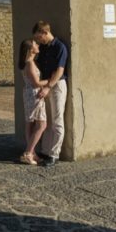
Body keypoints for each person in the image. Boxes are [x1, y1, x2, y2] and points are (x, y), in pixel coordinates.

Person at [33, 21, 68, 167]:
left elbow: (60, 71)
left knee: (57, 119)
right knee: (46, 119)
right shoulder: (44, 48)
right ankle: (45, 151)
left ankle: (54, 154)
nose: (38, 40)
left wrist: (48, 87)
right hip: (46, 85)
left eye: (39, 37)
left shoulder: (60, 47)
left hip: (57, 85)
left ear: (45, 32)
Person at [18, 39, 48, 165]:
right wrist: (49, 81)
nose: (38, 45)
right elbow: (36, 83)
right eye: (35, 44)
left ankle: (32, 153)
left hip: (30, 94)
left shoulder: (29, 62)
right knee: (42, 125)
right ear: (31, 49)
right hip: (34, 95)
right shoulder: (30, 63)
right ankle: (28, 153)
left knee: (30, 123)